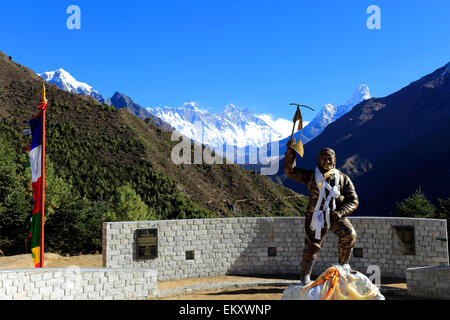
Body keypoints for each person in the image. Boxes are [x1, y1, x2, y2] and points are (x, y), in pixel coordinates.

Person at [284, 138, 359, 285]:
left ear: (334, 160)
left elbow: (354, 200)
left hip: (335, 215)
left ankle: (344, 269)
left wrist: (340, 212)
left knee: (349, 235)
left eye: (329, 158)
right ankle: (305, 277)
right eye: (323, 159)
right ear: (318, 160)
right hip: (316, 216)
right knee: (312, 246)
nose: (326, 161)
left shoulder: (343, 179)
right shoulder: (311, 176)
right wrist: (290, 152)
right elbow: (290, 171)